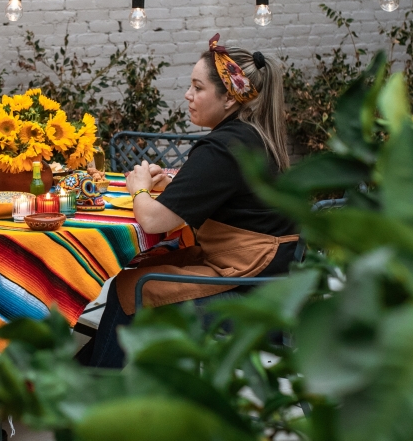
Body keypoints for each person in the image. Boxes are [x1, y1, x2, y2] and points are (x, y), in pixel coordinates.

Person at [77, 33, 298, 368]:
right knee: (137, 279)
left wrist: (138, 186)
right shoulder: (252, 137)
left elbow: (152, 221)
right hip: (271, 284)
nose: (187, 95)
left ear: (228, 99)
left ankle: (99, 397)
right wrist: (173, 185)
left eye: (198, 87)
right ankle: (90, 381)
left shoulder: (223, 148)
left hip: (248, 293)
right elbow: (224, 202)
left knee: (132, 290)